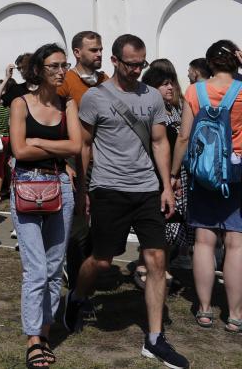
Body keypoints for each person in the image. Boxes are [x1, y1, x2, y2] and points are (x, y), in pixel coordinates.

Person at [64, 34, 187, 369]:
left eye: (141, 63)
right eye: (131, 64)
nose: (137, 70)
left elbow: (160, 142)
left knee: (157, 261)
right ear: (115, 61)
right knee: (102, 261)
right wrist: (83, 189)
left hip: (147, 189)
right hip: (109, 189)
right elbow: (85, 145)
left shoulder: (152, 97)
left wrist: (166, 186)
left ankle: (154, 339)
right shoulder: (94, 98)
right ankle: (76, 296)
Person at [9, 44, 81, 369]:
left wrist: (39, 142)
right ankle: (33, 339)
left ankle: (46, 331)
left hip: (60, 187)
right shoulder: (20, 103)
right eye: (54, 65)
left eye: (64, 65)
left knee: (55, 268)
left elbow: (76, 145)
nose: (61, 71)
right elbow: (19, 152)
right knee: (35, 268)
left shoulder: (69, 104)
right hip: (26, 184)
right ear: (39, 69)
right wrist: (54, 149)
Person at [171, 39, 242, 334]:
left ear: (209, 62)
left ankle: (203, 308)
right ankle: (235, 314)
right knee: (236, 242)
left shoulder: (194, 90)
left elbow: (184, 137)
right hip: (237, 171)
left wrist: (174, 173)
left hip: (202, 173)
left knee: (203, 239)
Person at [56, 30, 107, 307]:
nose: (98, 54)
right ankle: (77, 287)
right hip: (76, 163)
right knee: (79, 228)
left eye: (100, 49)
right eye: (93, 50)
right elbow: (56, 124)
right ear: (78, 53)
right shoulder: (67, 83)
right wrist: (66, 161)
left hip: (105, 164)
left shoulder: (105, 81)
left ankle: (86, 276)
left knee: (99, 225)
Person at [137, 59, 187, 288]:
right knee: (157, 224)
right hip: (157, 175)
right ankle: (145, 267)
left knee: (172, 224)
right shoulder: (150, 112)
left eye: (172, 83)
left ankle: (163, 267)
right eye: (164, 84)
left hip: (177, 176)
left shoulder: (177, 107)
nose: (170, 88)